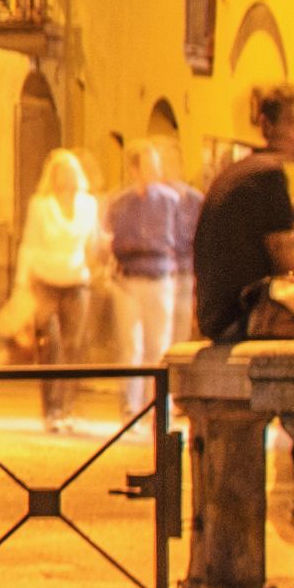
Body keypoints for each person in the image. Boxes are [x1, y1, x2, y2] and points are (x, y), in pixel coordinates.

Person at [192, 126, 294, 343]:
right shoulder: (268, 175)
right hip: (240, 317)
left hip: (216, 316)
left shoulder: (245, 171)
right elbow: (284, 253)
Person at [14, 150, 111, 413]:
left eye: (70, 171)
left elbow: (93, 242)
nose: (66, 176)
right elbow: (30, 244)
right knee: (50, 345)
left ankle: (68, 405)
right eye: (60, 171)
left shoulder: (88, 204)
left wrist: (104, 251)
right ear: (53, 175)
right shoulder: (40, 205)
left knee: (74, 346)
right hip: (45, 281)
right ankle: (52, 407)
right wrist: (22, 282)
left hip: (77, 282)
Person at [106, 139, 199, 406]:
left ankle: (155, 407)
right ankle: (130, 407)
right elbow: (117, 239)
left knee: (158, 347)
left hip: (160, 278)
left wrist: (150, 246)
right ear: (134, 170)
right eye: (148, 165)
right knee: (131, 347)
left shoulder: (172, 200)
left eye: (155, 165)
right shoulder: (123, 202)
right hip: (129, 280)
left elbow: (179, 238)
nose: (154, 171)